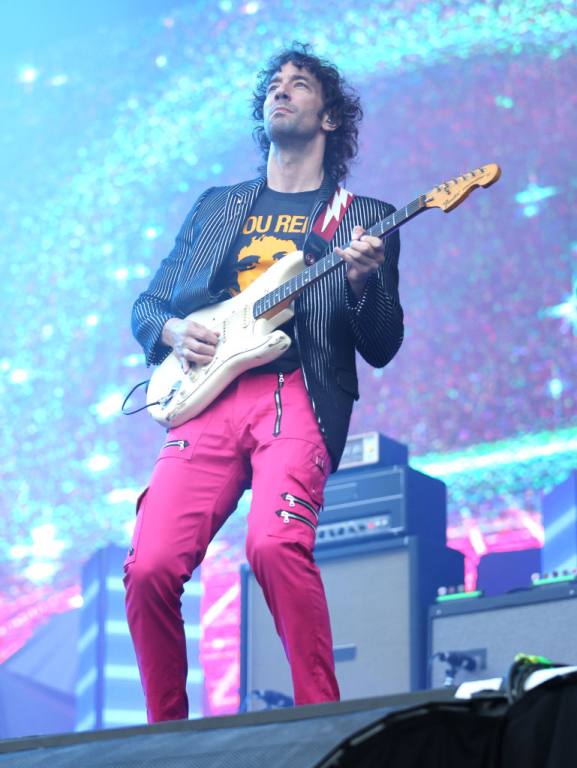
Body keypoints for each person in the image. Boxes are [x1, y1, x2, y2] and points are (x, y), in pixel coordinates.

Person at [124, 43, 404, 723]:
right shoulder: (219, 206)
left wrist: (362, 283)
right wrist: (172, 333)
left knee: (274, 545)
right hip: (207, 400)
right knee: (150, 567)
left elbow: (383, 343)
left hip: (296, 396)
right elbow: (149, 306)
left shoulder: (363, 217)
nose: (280, 91)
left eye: (298, 84)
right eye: (273, 85)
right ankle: (166, 734)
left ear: (330, 116)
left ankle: (320, 724)